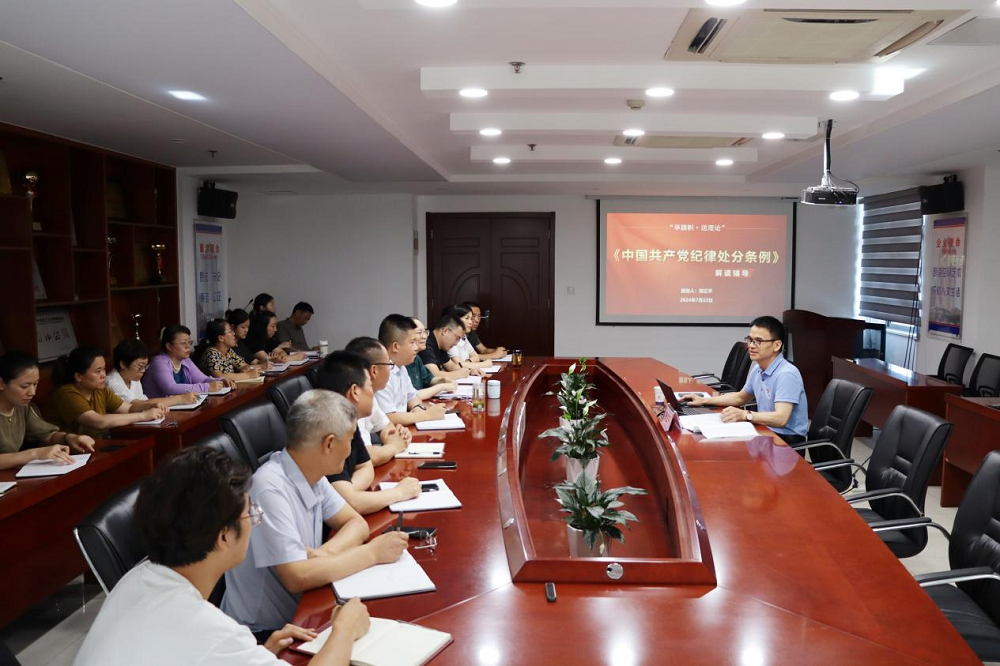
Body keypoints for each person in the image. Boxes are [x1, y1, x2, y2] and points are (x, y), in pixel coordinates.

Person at [73, 446, 370, 666]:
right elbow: (204, 643)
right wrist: (344, 629)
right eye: (251, 513)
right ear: (224, 537)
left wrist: (259, 655)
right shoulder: (210, 630)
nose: (256, 521)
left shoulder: (134, 580)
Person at [223, 390, 409, 635]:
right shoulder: (268, 488)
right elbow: (297, 576)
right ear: (329, 444)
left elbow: (356, 523)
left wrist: (325, 553)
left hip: (304, 614)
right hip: (263, 633)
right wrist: (372, 553)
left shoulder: (312, 472)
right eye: (350, 439)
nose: (351, 449)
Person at [315, 351, 421, 514]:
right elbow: (352, 503)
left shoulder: (349, 420)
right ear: (355, 392)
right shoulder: (328, 431)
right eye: (370, 386)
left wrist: (349, 491)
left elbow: (366, 467)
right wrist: (399, 493)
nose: (374, 393)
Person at [682, 316, 809, 444]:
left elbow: (781, 419)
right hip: (765, 430)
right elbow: (740, 397)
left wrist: (745, 415)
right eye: (750, 340)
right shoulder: (758, 368)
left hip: (786, 442)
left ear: (777, 345)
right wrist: (704, 400)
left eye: (758, 341)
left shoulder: (786, 374)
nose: (751, 346)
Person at [0, 352, 95, 470]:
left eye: (35, 384)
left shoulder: (22, 407)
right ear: (1, 383)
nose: (32, 392)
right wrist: (35, 454)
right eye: (24, 386)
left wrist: (70, 438)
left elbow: (47, 435)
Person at [44, 347, 165, 438]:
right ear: (79, 376)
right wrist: (143, 416)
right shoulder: (67, 394)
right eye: (98, 371)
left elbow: (128, 408)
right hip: (67, 453)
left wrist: (149, 406)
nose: (103, 375)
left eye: (104, 369)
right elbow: (98, 422)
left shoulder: (100, 390)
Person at [343, 337, 413, 465]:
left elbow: (387, 428)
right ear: (374, 370)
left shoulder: (369, 395)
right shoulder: (351, 401)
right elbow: (367, 457)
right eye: (389, 364)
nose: (390, 369)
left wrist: (397, 437)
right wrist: (394, 447)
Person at [375, 314, 449, 426]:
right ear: (395, 347)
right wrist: (427, 415)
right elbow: (389, 417)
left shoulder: (401, 367)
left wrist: (417, 407)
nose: (416, 347)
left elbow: (412, 396)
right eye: (412, 342)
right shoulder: (382, 372)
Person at [107, 339, 200, 410]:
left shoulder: (133, 378)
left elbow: (145, 402)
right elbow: (136, 405)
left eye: (145, 366)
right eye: (140, 367)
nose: (143, 370)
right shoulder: (112, 383)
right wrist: (179, 399)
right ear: (123, 364)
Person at [144, 325, 229, 398]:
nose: (188, 346)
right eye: (183, 343)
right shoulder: (159, 362)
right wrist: (207, 387)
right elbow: (170, 388)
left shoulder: (185, 360)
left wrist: (220, 381)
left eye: (189, 342)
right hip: (159, 409)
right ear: (169, 346)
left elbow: (202, 379)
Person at [420, 314, 484, 381]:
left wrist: (470, 371)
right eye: (457, 338)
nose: (456, 344)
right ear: (445, 331)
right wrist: (459, 374)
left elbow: (452, 367)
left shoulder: (441, 344)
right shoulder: (425, 342)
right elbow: (435, 375)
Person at [198, 320, 263, 382]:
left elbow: (244, 366)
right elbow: (219, 376)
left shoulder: (229, 352)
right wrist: (248, 375)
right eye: (230, 332)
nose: (234, 333)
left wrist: (258, 367)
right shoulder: (211, 353)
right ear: (221, 338)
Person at [408, 319, 458, 399]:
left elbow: (428, 379)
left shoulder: (417, 358)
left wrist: (443, 380)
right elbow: (412, 396)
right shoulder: (400, 363)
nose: (425, 336)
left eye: (425, 332)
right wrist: (442, 387)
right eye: (419, 332)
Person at [442, 305, 491, 370]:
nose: (471, 322)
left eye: (471, 318)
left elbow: (476, 357)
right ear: (455, 320)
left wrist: (467, 362)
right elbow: (458, 364)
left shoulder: (463, 336)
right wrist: (484, 364)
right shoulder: (449, 337)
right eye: (467, 318)